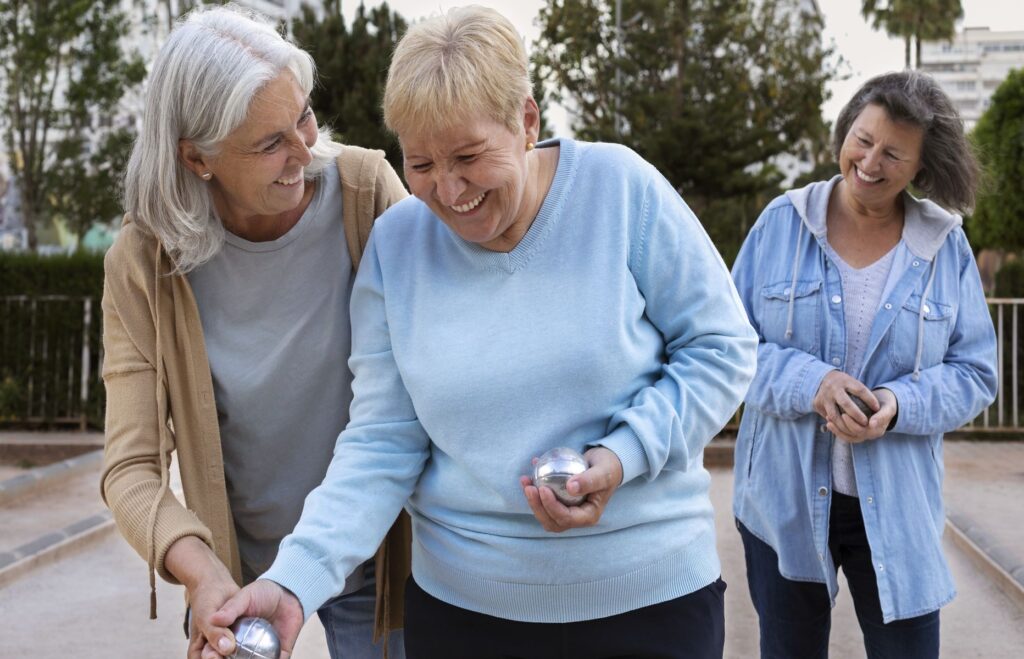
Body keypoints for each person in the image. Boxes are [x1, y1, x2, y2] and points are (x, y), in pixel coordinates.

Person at [203, 5, 758, 659]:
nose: (447, 189)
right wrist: (292, 583)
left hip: (653, 603)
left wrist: (624, 454)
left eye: (468, 156)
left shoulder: (620, 189)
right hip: (464, 618)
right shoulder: (397, 247)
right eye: (421, 163)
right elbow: (381, 444)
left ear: (527, 120)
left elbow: (721, 347)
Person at [99, 6, 410, 659]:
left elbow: (447, 360)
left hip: (377, 559)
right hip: (238, 578)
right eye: (270, 143)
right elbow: (131, 467)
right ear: (197, 158)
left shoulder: (365, 193)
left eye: (302, 115)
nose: (304, 150)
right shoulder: (144, 260)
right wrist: (201, 572)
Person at [731, 70, 998, 658]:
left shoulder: (943, 246)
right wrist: (813, 383)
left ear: (921, 170)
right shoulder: (781, 223)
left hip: (898, 510)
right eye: (863, 138)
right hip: (784, 501)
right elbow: (728, 348)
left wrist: (899, 405)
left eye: (893, 154)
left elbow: (976, 372)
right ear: (845, 130)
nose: (870, 162)